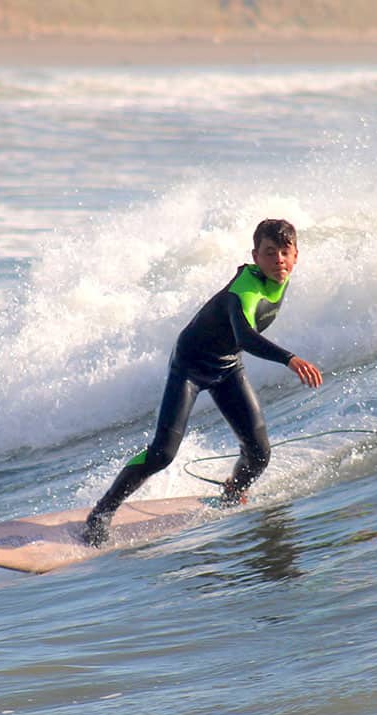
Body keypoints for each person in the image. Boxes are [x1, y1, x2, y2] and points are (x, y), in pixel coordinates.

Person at [83, 218, 323, 546]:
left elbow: (238, 343)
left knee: (258, 455)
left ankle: (232, 493)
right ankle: (101, 512)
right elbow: (246, 338)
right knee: (162, 454)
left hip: (227, 366)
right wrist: (290, 359)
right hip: (190, 365)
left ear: (296, 256)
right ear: (255, 256)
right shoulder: (245, 291)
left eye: (285, 252)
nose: (278, 259)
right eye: (269, 253)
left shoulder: (278, 277)